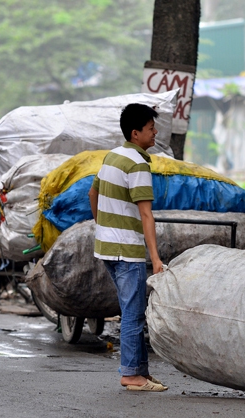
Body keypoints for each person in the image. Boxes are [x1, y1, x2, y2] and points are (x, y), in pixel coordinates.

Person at [88, 103, 167, 392]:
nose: (155, 132)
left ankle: (141, 371)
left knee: (132, 308)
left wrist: (102, 225)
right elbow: (146, 214)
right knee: (133, 312)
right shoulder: (137, 163)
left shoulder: (113, 156)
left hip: (107, 247)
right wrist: (155, 259)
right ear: (136, 133)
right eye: (150, 128)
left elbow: (92, 193)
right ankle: (131, 375)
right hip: (127, 250)